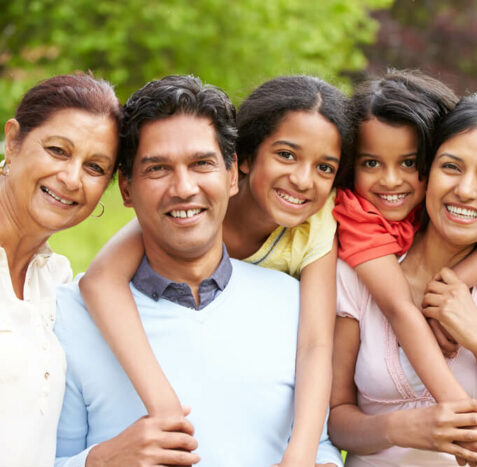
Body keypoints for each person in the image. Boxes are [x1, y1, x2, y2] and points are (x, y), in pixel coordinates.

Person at [53, 75, 342, 466]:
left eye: (202, 163)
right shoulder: (68, 317)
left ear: (231, 173)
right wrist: (100, 460)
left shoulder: (292, 303)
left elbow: (317, 445)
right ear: (125, 188)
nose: (184, 187)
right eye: (157, 169)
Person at [329, 94, 477, 466]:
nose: (465, 190)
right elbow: (335, 420)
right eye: (451, 167)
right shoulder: (362, 268)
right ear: (427, 172)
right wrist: (401, 427)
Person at [0, 73, 121, 467]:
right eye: (57, 150)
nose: (71, 179)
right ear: (13, 141)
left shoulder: (56, 282)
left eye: (95, 167)